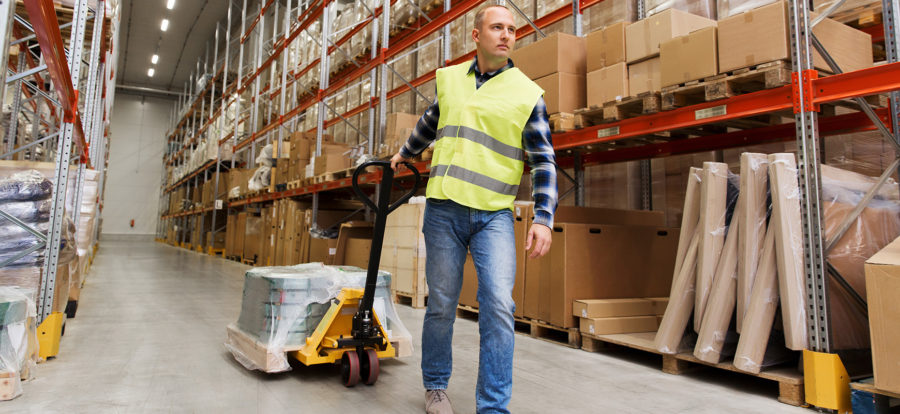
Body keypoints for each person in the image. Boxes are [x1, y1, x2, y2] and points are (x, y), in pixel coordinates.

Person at [390, 4, 558, 414]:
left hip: (493, 215)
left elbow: (543, 160)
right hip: (444, 209)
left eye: (512, 29)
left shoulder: (527, 93)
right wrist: (403, 153)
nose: (506, 34)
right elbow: (431, 121)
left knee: (499, 304)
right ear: (476, 36)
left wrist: (543, 219)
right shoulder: (450, 80)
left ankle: (493, 407)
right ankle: (436, 388)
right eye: (497, 27)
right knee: (443, 303)